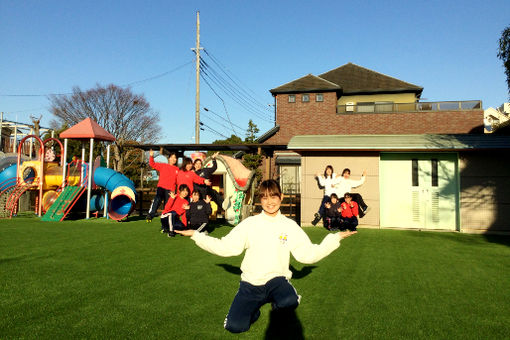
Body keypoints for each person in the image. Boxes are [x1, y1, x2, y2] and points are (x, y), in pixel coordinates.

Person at [176, 179, 357, 334]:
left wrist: (333, 239)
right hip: (250, 284)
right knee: (235, 327)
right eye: (264, 197)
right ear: (260, 200)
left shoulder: (289, 226)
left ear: (281, 197)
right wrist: (196, 236)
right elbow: (226, 247)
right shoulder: (251, 224)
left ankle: (283, 298)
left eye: (274, 196)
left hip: (276, 281)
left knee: (289, 301)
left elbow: (307, 254)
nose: (270, 202)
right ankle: (253, 310)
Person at [146, 149, 179, 223]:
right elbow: (152, 164)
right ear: (169, 158)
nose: (173, 159)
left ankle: (166, 224)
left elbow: (179, 181)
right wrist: (151, 156)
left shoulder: (177, 170)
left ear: (176, 160)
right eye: (172, 157)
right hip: (161, 187)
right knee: (157, 199)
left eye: (175, 158)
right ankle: (151, 215)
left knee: (168, 206)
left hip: (170, 190)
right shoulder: (163, 166)